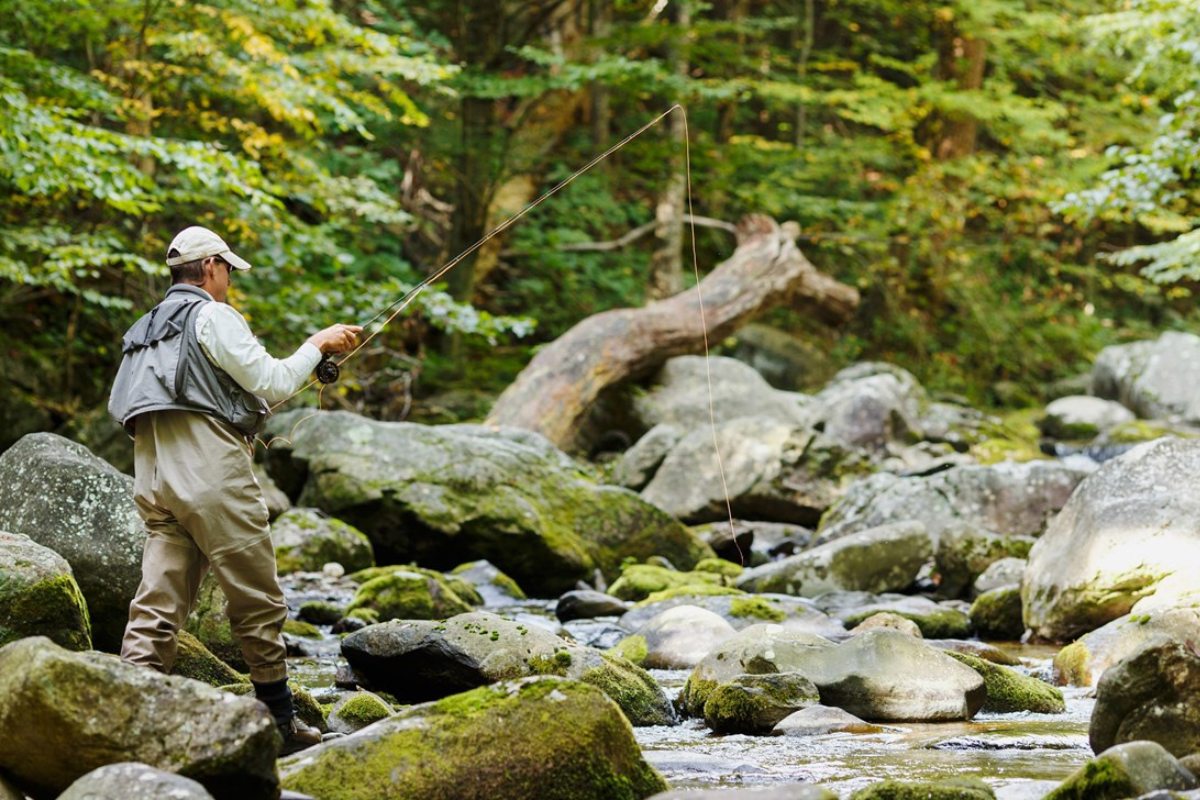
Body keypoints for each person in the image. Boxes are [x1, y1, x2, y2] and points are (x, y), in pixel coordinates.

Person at [108, 225, 362, 755]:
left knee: (156, 603)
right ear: (208, 268)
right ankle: (277, 720)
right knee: (257, 594)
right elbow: (271, 381)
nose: (229, 281)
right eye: (228, 270)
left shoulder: (144, 327)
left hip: (152, 474)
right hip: (210, 475)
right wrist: (317, 345)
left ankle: (126, 716)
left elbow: (121, 407)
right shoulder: (213, 315)